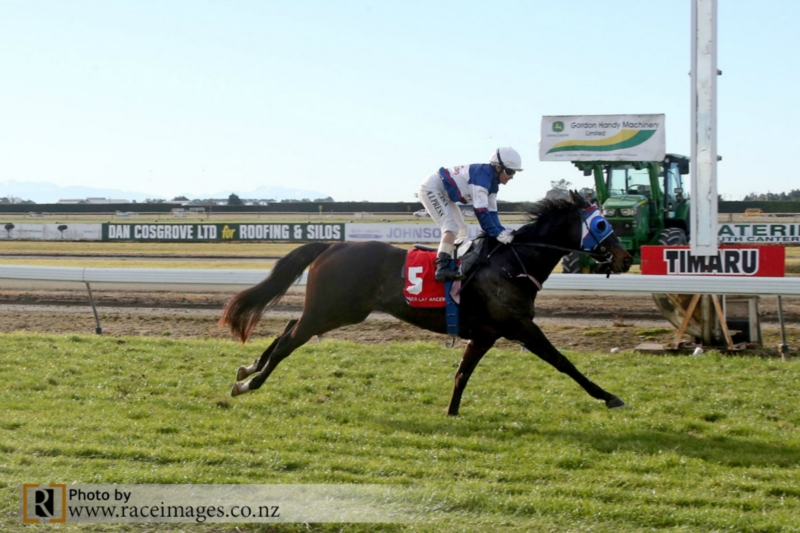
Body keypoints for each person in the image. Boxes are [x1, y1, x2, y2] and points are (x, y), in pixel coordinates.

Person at [418, 147, 523, 281]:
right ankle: (441, 267)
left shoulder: (493, 184)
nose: (512, 177)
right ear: (498, 168)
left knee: (462, 230)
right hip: (431, 188)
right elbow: (480, 211)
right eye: (509, 172)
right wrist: (496, 233)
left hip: (444, 193)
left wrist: (501, 231)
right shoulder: (482, 178)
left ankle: (453, 262)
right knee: (450, 227)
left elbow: (492, 213)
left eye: (514, 173)